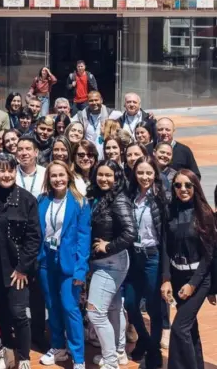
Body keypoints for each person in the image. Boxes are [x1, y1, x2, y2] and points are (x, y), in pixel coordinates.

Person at [0, 154, 41, 369]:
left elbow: (34, 237)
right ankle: (8, 352)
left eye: (10, 170)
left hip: (17, 268)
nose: (6, 175)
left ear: (16, 172)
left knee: (19, 313)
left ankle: (24, 357)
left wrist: (23, 268)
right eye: (1, 170)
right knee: (1, 310)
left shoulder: (27, 199)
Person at [36, 161, 90, 369]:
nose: (58, 179)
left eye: (61, 175)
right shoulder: (42, 200)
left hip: (69, 261)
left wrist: (80, 269)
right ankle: (58, 347)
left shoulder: (80, 202)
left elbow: (84, 238)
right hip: (46, 259)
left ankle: (78, 357)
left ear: (68, 176)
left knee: (69, 307)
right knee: (52, 305)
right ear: (48, 179)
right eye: (53, 176)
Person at [160, 169, 215, 369]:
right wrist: (166, 279)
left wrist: (192, 284)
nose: (182, 189)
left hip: (198, 279)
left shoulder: (205, 214)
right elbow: (165, 247)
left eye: (187, 185)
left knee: (179, 328)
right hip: (177, 276)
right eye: (178, 185)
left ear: (195, 186)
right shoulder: (170, 211)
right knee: (190, 328)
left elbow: (208, 256)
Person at [87, 160, 136, 369]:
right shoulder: (99, 197)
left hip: (112, 262)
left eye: (109, 175)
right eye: (100, 174)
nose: (104, 179)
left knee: (95, 312)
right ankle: (118, 351)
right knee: (113, 308)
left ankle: (110, 361)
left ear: (117, 177)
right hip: (103, 262)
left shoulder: (119, 199)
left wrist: (108, 246)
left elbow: (130, 233)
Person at [123, 156, 166, 369]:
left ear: (155, 174)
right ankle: (146, 340)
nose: (145, 176)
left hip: (153, 256)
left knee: (153, 306)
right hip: (134, 255)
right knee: (131, 303)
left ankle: (153, 350)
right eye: (140, 172)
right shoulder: (130, 195)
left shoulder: (161, 197)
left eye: (149, 172)